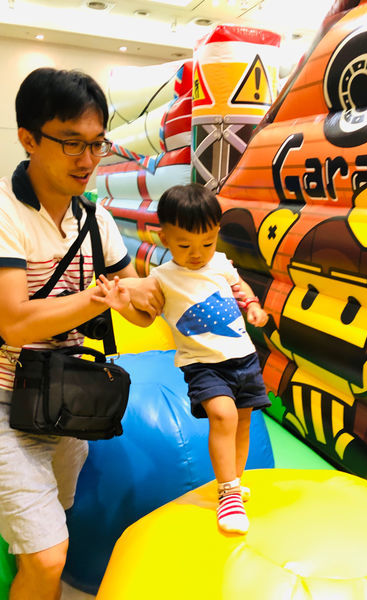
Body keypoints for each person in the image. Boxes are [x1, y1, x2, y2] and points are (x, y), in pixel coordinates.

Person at [0, 67, 162, 600]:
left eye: (97, 144)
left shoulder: (95, 219)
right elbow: (14, 321)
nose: (88, 160)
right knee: (49, 556)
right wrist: (101, 296)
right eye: (72, 142)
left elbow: (137, 310)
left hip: (67, 397)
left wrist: (167, 288)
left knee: (53, 520)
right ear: (28, 139)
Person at [94, 183, 271, 535]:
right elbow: (145, 318)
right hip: (203, 365)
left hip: (243, 359)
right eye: (185, 245)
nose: (197, 254)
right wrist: (122, 306)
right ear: (164, 237)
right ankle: (228, 493)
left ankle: (235, 480)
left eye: (207, 243)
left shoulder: (220, 263)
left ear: (216, 233)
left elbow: (240, 288)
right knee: (223, 415)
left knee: (243, 423)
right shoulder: (161, 278)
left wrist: (252, 305)